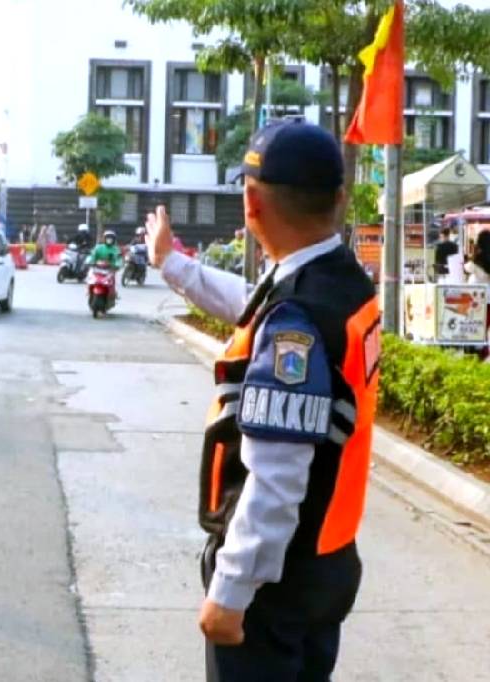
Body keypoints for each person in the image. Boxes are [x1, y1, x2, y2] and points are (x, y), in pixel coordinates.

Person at [147, 120, 379, 682]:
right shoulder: (340, 281)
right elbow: (257, 306)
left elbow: (275, 478)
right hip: (328, 557)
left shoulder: (296, 321)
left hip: (276, 584)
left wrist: (230, 591)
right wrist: (173, 265)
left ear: (251, 202)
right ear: (339, 198)